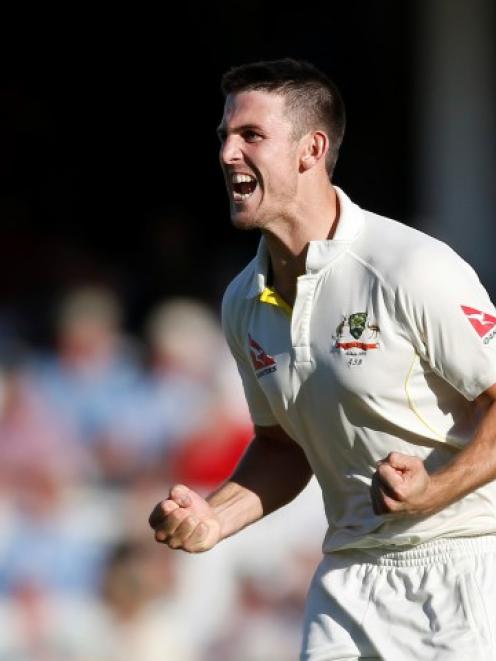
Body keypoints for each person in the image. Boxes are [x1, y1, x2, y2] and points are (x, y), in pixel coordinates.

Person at [149, 58, 496, 659]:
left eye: (250, 136)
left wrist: (434, 490)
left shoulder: (409, 267)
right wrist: (216, 516)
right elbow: (283, 447)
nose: (228, 153)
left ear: (311, 149)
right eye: (225, 137)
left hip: (464, 568)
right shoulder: (241, 300)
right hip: (347, 578)